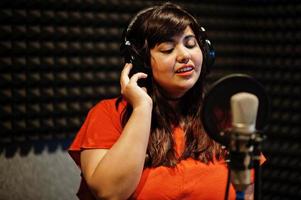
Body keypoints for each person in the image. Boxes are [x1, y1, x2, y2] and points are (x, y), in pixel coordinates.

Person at [69, 2, 259, 200]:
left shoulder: (221, 116)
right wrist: (142, 108)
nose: (184, 55)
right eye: (168, 49)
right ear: (142, 62)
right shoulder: (109, 115)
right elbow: (110, 193)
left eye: (190, 44)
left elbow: (246, 192)